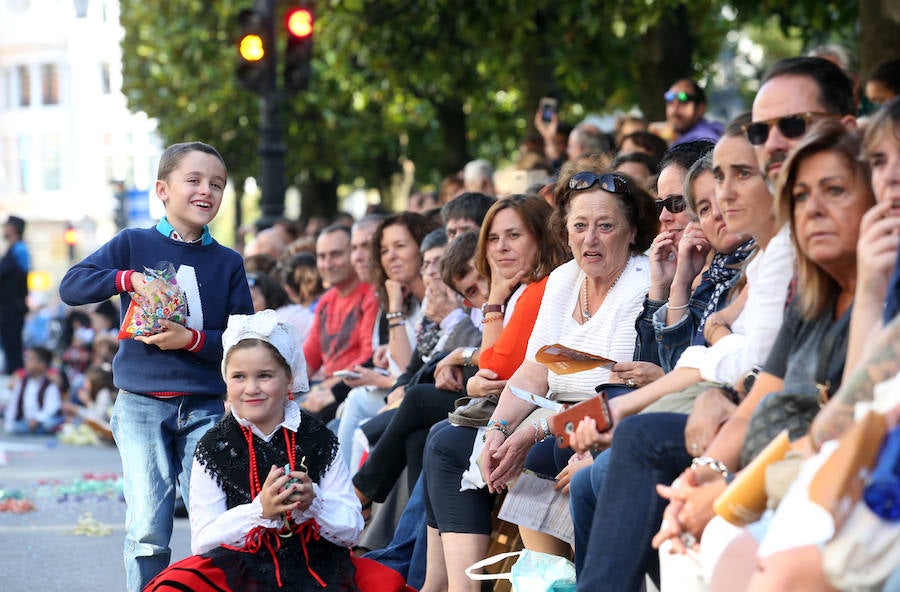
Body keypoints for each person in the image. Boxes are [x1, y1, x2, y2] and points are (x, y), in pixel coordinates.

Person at [654, 119, 873, 592]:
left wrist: (728, 490)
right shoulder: (812, 293)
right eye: (798, 197)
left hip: (851, 492)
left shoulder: (867, 288)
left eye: (833, 191)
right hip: (796, 467)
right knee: (682, 532)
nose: (812, 210)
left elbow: (851, 423)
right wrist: (707, 479)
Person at [419, 165, 657, 592]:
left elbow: (618, 390)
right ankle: (525, 581)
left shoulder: (642, 280)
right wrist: (498, 428)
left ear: (632, 229)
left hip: (603, 420)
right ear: (565, 231)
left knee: (529, 452)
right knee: (480, 446)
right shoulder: (565, 278)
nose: (591, 239)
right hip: (555, 417)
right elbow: (534, 370)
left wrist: (533, 432)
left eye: (606, 226)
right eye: (580, 226)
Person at [58, 141, 254, 591]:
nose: (207, 190)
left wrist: (193, 341)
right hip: (140, 405)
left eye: (217, 184)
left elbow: (243, 341)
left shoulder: (228, 262)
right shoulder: (133, 243)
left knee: (214, 520)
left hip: (205, 405)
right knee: (147, 527)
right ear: (163, 189)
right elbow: (72, 285)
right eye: (195, 180)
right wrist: (126, 279)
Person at [143, 310, 364, 591]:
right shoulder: (214, 447)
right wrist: (260, 511)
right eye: (239, 376)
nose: (251, 388)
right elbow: (203, 541)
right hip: (238, 570)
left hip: (314, 566)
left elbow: (352, 528)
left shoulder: (318, 438)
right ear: (226, 381)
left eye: (264, 376)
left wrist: (314, 503)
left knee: (387, 583)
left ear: (288, 379)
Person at [301, 224, 379, 422]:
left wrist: (327, 388)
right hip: (324, 389)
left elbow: (368, 358)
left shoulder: (371, 294)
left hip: (352, 390)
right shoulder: (326, 301)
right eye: (322, 256)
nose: (327, 264)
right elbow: (306, 360)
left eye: (335, 254)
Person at [3, 346, 64, 434]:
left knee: (49, 423)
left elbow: (52, 408)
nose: (27, 362)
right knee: (14, 427)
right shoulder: (22, 382)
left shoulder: (49, 384)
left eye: (31, 359)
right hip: (26, 421)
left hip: (41, 421)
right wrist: (9, 420)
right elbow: (14, 404)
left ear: (41, 364)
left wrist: (38, 419)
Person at [0, 215, 30, 374]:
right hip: (8, 309)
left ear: (13, 229)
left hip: (13, 308)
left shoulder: (19, 249)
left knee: (13, 349)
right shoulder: (13, 249)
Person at [663, 79, 724, 145]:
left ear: (700, 108)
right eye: (670, 102)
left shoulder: (704, 142)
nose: (674, 110)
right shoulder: (680, 139)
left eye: (683, 102)